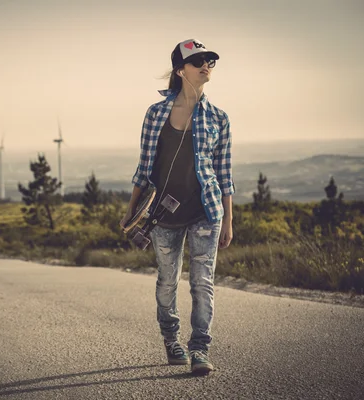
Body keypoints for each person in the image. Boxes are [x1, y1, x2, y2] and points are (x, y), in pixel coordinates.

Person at [119, 38, 235, 375]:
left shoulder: (219, 118)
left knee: (203, 282)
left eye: (209, 61)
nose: (206, 66)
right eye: (198, 61)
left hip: (205, 212)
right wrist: (131, 212)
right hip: (162, 215)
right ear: (180, 69)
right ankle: (172, 340)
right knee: (167, 280)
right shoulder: (155, 114)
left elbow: (224, 174)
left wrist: (228, 220)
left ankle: (199, 348)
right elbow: (144, 168)